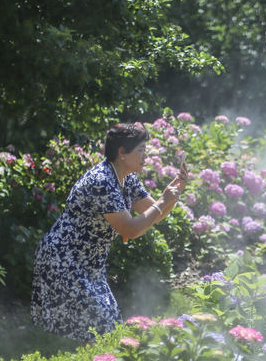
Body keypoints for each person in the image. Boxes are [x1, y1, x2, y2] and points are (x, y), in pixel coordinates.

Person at [31, 122, 187, 342]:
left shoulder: (126, 178)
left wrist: (173, 194)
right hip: (63, 261)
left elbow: (153, 214)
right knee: (98, 328)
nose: (145, 156)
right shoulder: (102, 181)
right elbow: (130, 229)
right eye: (141, 150)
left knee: (107, 327)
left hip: (89, 265)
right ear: (122, 152)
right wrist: (164, 200)